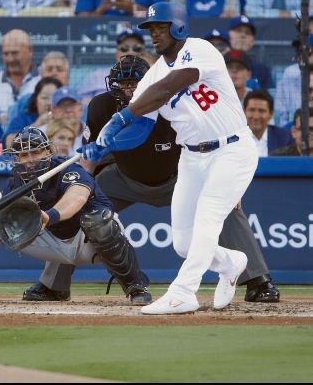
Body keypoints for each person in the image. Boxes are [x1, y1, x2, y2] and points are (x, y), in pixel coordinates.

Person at [26, 54, 280, 304]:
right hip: (122, 178)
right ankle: (53, 285)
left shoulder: (175, 104)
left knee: (226, 207)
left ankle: (258, 281)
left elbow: (207, 148)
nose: (128, 90)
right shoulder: (100, 106)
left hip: (179, 176)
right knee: (76, 207)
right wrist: (77, 191)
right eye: (123, 84)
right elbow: (89, 162)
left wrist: (228, 188)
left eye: (134, 83)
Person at [84, 1, 260, 314]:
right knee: (182, 242)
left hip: (231, 149)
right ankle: (231, 262)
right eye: (150, 29)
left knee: (208, 216)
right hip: (192, 158)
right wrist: (102, 143)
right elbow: (140, 129)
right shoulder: (151, 77)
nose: (154, 34)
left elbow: (171, 86)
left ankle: (184, 292)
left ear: (178, 26)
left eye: (160, 27)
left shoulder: (199, 49)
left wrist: (124, 115)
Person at [0, 127, 152, 305]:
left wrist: (49, 215)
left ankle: (136, 287)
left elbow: (77, 198)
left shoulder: (68, 169)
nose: (30, 159)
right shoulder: (16, 180)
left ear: (48, 151)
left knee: (98, 221)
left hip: (90, 243)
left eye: (35, 151)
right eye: (23, 154)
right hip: (51, 238)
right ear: (16, 158)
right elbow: (2, 218)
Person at [0, 29, 39, 127]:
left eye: (15, 53)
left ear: (30, 50)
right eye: (6, 54)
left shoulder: (43, 80)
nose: (10, 59)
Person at [3, 77, 62, 147]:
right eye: (44, 98)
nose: (49, 103)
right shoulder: (22, 119)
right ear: (36, 100)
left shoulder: (66, 118)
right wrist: (37, 125)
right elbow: (9, 144)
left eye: (54, 98)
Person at [227, 15, 272, 90]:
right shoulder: (218, 64)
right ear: (229, 35)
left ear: (252, 41)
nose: (243, 35)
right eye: (238, 30)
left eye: (247, 33)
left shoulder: (262, 71)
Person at [244, 89, 293, 157]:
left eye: (261, 111)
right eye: (252, 110)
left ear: (271, 114)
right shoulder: (235, 139)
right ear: (244, 112)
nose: (256, 116)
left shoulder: (284, 137)